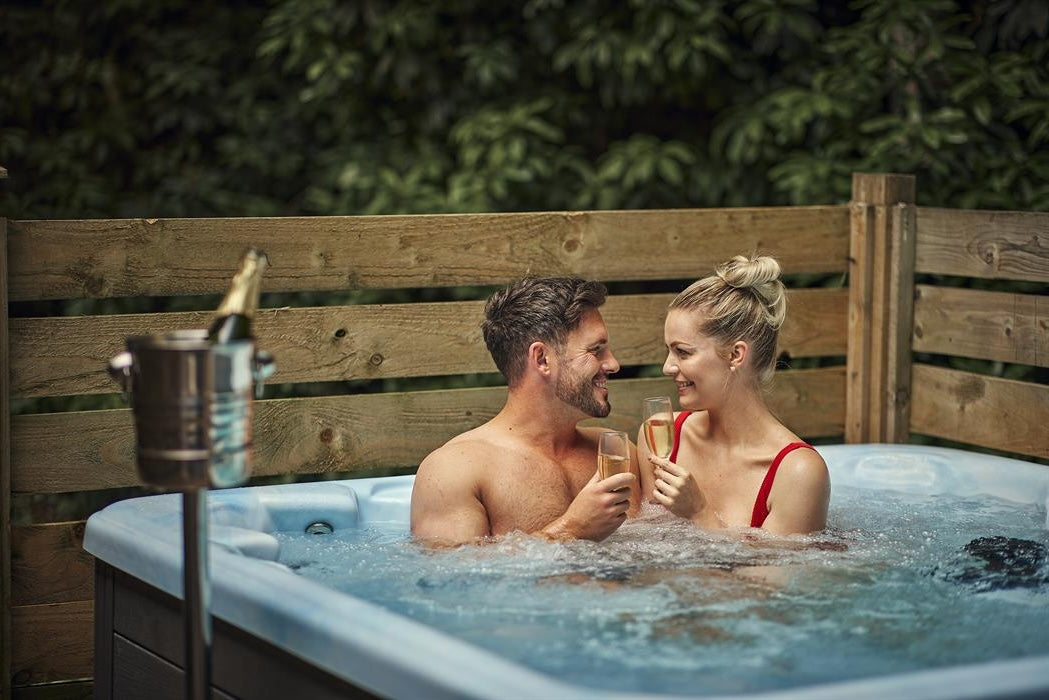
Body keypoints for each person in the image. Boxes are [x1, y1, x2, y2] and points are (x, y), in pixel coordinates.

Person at [411, 276, 640, 546]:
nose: (613, 363)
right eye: (596, 350)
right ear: (542, 359)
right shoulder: (454, 470)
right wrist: (572, 529)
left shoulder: (614, 449)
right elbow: (456, 581)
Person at [638, 255, 830, 536]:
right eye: (669, 351)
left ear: (735, 354)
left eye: (683, 352)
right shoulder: (661, 437)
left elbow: (767, 579)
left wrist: (700, 514)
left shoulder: (798, 474)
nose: (667, 367)